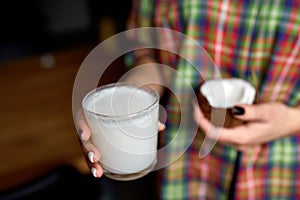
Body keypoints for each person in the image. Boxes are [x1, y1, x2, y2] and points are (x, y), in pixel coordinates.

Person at [76, 0, 300, 199]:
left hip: (281, 167)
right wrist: (129, 100)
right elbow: (149, 55)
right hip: (185, 161)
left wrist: (291, 121)